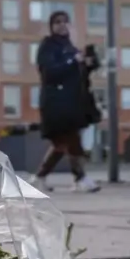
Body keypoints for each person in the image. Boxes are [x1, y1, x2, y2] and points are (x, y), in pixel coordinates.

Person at [31, 10, 101, 193]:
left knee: (62, 144)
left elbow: (81, 75)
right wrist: (72, 61)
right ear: (51, 26)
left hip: (73, 102)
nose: (62, 25)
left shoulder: (71, 46)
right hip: (56, 102)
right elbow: (49, 73)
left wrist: (89, 62)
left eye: (65, 21)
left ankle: (39, 177)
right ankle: (81, 178)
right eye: (57, 22)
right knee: (70, 139)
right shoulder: (48, 46)